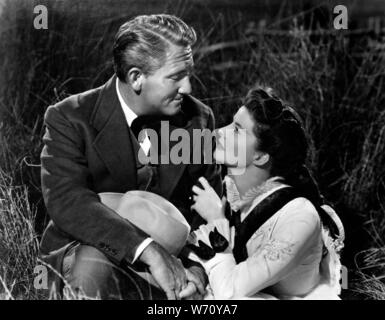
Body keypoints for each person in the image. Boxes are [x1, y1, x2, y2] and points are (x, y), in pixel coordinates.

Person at [39, 14, 222, 300]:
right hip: (91, 248)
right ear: (136, 78)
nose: (187, 88)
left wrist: (200, 267)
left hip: (176, 258)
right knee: (90, 270)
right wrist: (147, 250)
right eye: (176, 77)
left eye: (188, 73)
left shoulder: (198, 118)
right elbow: (67, 201)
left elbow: (208, 207)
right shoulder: (69, 117)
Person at [186, 86, 345, 299]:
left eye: (236, 130)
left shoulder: (300, 216)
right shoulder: (228, 191)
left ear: (261, 157)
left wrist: (216, 219)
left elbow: (230, 294)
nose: (218, 132)